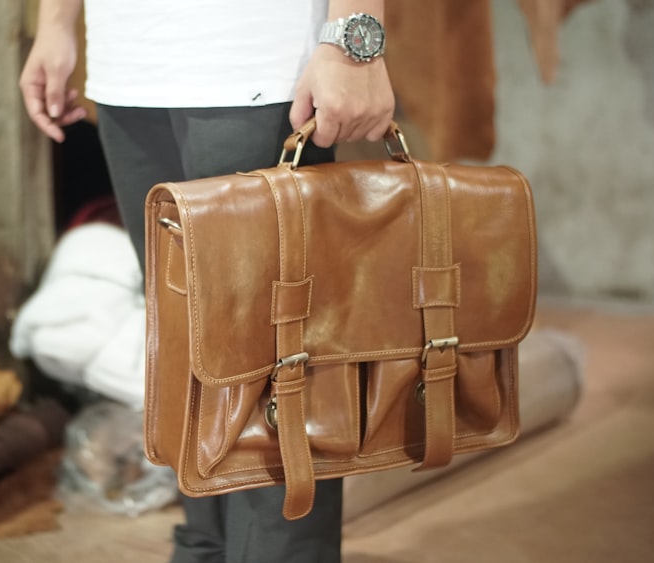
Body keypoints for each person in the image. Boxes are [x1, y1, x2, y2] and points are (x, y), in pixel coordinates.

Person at [20, 1, 394, 561]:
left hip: (255, 58)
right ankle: (206, 547)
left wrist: (353, 39)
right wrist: (55, 24)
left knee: (276, 356)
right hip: (128, 63)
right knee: (181, 342)